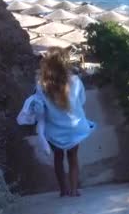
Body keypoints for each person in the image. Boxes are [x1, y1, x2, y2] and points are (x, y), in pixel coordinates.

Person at [35, 47, 96, 197]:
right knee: (73, 158)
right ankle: (74, 190)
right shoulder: (75, 81)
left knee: (58, 158)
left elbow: (41, 108)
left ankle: (63, 190)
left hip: (54, 129)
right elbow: (81, 101)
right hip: (74, 127)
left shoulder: (41, 85)